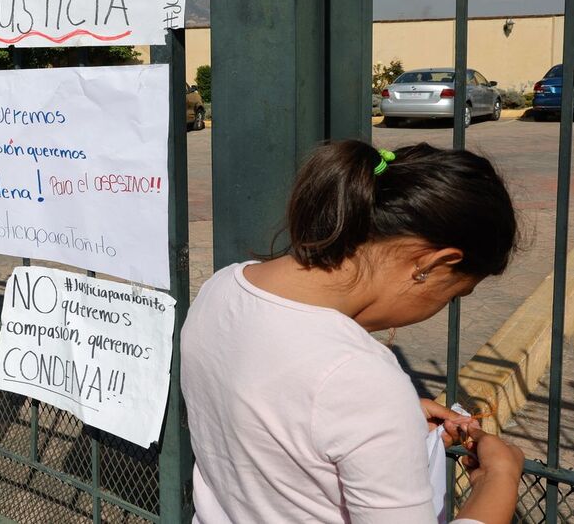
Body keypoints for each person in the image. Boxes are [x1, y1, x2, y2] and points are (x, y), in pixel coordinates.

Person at [182, 140, 524, 524]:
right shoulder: (360, 378)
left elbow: (269, 404)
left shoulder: (223, 287)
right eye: (455, 293)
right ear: (432, 264)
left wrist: (389, 423)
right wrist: (500, 480)